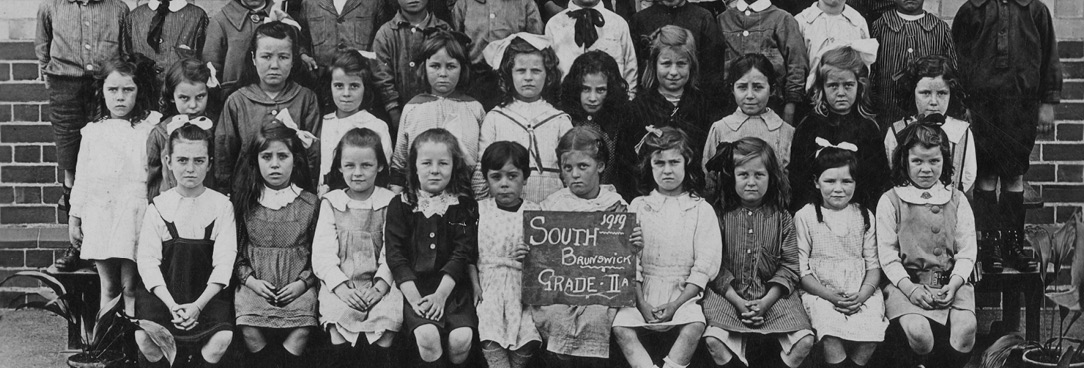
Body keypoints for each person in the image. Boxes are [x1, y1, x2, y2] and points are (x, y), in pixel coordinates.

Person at [953, 0, 1061, 275]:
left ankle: (1012, 244)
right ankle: (990, 246)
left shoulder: (1035, 11)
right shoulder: (971, 10)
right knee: (985, 175)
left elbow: (1049, 57)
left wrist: (1047, 103)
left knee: (1014, 176)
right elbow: (957, 59)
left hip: (1020, 107)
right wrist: (961, 103)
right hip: (982, 108)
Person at [530, 127, 644, 367]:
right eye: (567, 168)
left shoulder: (614, 205)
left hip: (598, 292)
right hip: (561, 290)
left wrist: (633, 245)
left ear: (600, 166)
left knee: (595, 318)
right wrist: (528, 251)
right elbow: (541, 259)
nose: (575, 175)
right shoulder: (552, 205)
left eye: (583, 167)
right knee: (556, 316)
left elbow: (622, 262)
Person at [612, 126, 721, 368]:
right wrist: (641, 302)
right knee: (620, 326)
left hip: (683, 293)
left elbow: (705, 265)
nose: (667, 170)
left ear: (687, 162)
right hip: (642, 291)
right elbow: (630, 261)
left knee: (694, 326)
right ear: (649, 166)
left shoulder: (700, 209)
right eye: (659, 163)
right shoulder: (639, 205)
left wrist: (676, 304)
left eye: (674, 162)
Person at [701, 137, 814, 368]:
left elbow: (790, 266)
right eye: (743, 175)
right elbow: (713, 264)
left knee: (805, 341)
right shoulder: (718, 216)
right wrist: (737, 300)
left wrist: (765, 301)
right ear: (732, 177)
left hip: (772, 296)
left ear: (771, 177)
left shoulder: (782, 217)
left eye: (759, 175)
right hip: (728, 295)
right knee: (714, 340)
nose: (751, 182)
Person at [36, 0, 131, 270]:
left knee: (107, 160)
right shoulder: (51, 7)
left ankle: (105, 244)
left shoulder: (118, 9)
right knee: (71, 163)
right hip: (65, 87)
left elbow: (126, 54)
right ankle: (77, 245)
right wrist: (54, 78)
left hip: (105, 87)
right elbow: (43, 49)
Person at [135, 124, 236, 368]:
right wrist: (172, 306)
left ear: (209, 163)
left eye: (199, 161)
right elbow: (148, 262)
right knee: (144, 336)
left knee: (222, 337)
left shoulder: (221, 206)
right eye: (182, 160)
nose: (190, 169)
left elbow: (224, 262)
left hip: (206, 296)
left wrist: (198, 306)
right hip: (165, 296)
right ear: (168, 161)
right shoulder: (158, 207)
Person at [877, 123, 977, 368]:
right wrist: (910, 289)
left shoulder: (956, 198)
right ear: (905, 161)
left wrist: (954, 284)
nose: (926, 169)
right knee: (919, 332)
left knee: (966, 329)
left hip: (951, 283)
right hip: (907, 285)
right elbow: (887, 255)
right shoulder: (891, 201)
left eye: (934, 161)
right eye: (918, 161)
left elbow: (967, 250)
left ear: (944, 161)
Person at [69, 57, 162, 317]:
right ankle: (105, 346)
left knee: (131, 286)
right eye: (113, 90)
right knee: (108, 286)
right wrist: (74, 217)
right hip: (101, 213)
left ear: (138, 91)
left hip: (134, 214)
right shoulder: (93, 132)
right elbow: (83, 178)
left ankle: (131, 348)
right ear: (102, 92)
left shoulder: (149, 127)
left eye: (127, 90)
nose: (120, 97)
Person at [385, 129, 479, 367]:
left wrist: (441, 295)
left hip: (453, 290)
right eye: (426, 163)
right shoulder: (401, 205)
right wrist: (416, 299)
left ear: (453, 167)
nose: (435, 170)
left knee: (462, 338)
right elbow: (395, 256)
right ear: (414, 166)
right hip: (416, 288)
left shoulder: (462, 205)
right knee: (427, 335)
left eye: (443, 163)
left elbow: (462, 252)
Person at [231, 122, 321, 368]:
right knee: (248, 325)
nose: (274, 164)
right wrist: (251, 282)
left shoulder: (310, 203)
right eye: (266, 156)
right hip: (255, 284)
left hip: (297, 285)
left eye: (283, 156)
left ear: (295, 160)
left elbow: (319, 253)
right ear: (256, 161)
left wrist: (303, 284)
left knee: (302, 328)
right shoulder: (246, 202)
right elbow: (237, 252)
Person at [312, 128, 403, 367]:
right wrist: (342, 288)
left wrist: (380, 287)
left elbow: (394, 250)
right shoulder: (332, 202)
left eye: (366, 165)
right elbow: (322, 254)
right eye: (349, 165)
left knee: (388, 320)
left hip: (382, 282)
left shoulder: (389, 202)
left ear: (380, 166)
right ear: (339, 167)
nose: (358, 173)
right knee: (338, 322)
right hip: (342, 282)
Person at [795, 144, 886, 368]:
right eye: (830, 181)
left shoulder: (864, 215)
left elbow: (873, 266)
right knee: (829, 333)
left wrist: (863, 295)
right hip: (820, 292)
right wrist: (831, 296)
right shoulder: (805, 216)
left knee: (872, 333)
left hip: (859, 291)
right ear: (816, 182)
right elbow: (801, 271)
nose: (838, 189)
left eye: (846, 181)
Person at [215, 21, 321, 193]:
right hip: (246, 194)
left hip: (295, 194)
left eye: (283, 57)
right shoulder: (237, 101)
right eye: (266, 56)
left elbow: (313, 156)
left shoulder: (306, 99)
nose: (274, 65)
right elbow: (224, 155)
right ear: (253, 58)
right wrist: (225, 193)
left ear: (293, 59)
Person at [474, 33, 573, 203]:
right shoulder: (496, 118)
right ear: (508, 75)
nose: (528, 77)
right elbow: (481, 169)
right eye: (520, 71)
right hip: (504, 210)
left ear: (548, 75)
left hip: (552, 208)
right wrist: (483, 207)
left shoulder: (559, 120)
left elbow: (572, 167)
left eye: (536, 71)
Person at [789, 46, 887, 212]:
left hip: (858, 212)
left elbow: (877, 181)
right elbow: (799, 179)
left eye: (848, 85)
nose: (841, 92)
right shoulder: (809, 127)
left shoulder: (868, 128)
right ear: (822, 87)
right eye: (833, 86)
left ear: (860, 86)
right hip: (817, 212)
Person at [471, 141, 543, 368]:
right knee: (491, 332)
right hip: (489, 284)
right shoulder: (479, 210)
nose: (504, 184)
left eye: (512, 176)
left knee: (526, 334)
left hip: (522, 286)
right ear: (486, 178)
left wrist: (532, 255)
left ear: (525, 177)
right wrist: (474, 285)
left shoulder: (535, 212)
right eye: (496, 177)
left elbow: (549, 256)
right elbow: (469, 255)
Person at [391, 32, 485, 192]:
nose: (443, 73)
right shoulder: (413, 108)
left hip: (464, 196)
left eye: (451, 66)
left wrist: (478, 200)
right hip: (419, 197)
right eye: (435, 66)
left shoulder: (474, 108)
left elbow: (481, 162)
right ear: (424, 68)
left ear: (462, 69)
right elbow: (400, 161)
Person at [703, 54, 795, 200]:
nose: (750, 95)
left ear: (771, 89)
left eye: (758, 87)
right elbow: (709, 179)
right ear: (732, 89)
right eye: (742, 87)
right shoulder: (720, 128)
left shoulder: (785, 131)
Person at [628, 25, 722, 167]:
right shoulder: (638, 107)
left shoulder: (704, 105)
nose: (673, 72)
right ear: (654, 64)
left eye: (681, 64)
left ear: (691, 65)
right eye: (666, 64)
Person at [883, 56, 976, 194]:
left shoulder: (961, 132)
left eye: (942, 93)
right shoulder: (898, 131)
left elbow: (968, 178)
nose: (933, 101)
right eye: (925, 93)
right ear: (912, 93)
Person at [717, 0, 808, 124]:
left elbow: (797, 65)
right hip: (731, 107)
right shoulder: (723, 19)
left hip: (774, 106)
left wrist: (790, 106)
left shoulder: (782, 19)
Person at [559, 51, 635, 199]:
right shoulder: (564, 119)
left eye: (600, 90)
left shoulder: (621, 121)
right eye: (585, 89)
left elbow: (626, 175)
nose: (592, 98)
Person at [869, 0, 956, 128]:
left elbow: (952, 73)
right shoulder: (881, 26)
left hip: (930, 117)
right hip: (889, 113)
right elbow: (872, 72)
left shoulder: (940, 28)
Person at [318, 51, 393, 195]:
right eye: (339, 86)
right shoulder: (323, 123)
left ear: (365, 88)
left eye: (354, 86)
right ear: (330, 86)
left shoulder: (376, 126)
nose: (346, 93)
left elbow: (383, 171)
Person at [451, 0, 544, 110]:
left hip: (511, 82)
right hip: (473, 80)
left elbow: (536, 45)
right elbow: (456, 43)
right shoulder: (464, 3)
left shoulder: (525, 3)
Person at [148, 58, 219, 200]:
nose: (193, 105)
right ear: (172, 96)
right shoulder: (160, 133)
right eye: (184, 98)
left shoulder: (214, 129)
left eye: (200, 97)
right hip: (170, 207)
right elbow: (153, 179)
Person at [372, 0, 451, 128]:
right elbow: (382, 77)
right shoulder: (386, 34)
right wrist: (395, 114)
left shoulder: (443, 30)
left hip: (439, 115)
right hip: (397, 117)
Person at [544, 0, 638, 95]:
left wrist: (628, 99)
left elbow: (630, 67)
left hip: (612, 102)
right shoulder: (554, 25)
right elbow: (549, 69)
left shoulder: (618, 24)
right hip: (565, 101)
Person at [204, 0, 300, 89]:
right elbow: (211, 67)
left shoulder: (282, 17)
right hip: (235, 94)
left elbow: (297, 56)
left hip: (277, 94)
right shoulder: (221, 21)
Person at [628, 0, 723, 90]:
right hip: (650, 98)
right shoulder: (640, 20)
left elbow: (713, 70)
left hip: (694, 97)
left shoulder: (703, 18)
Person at [129, 0, 208, 92]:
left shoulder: (197, 17)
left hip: (179, 98)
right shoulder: (134, 17)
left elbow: (205, 62)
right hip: (145, 97)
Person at [793, 0, 873, 92]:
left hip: (847, 98)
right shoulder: (802, 21)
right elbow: (796, 68)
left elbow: (864, 67)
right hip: (811, 97)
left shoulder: (858, 22)